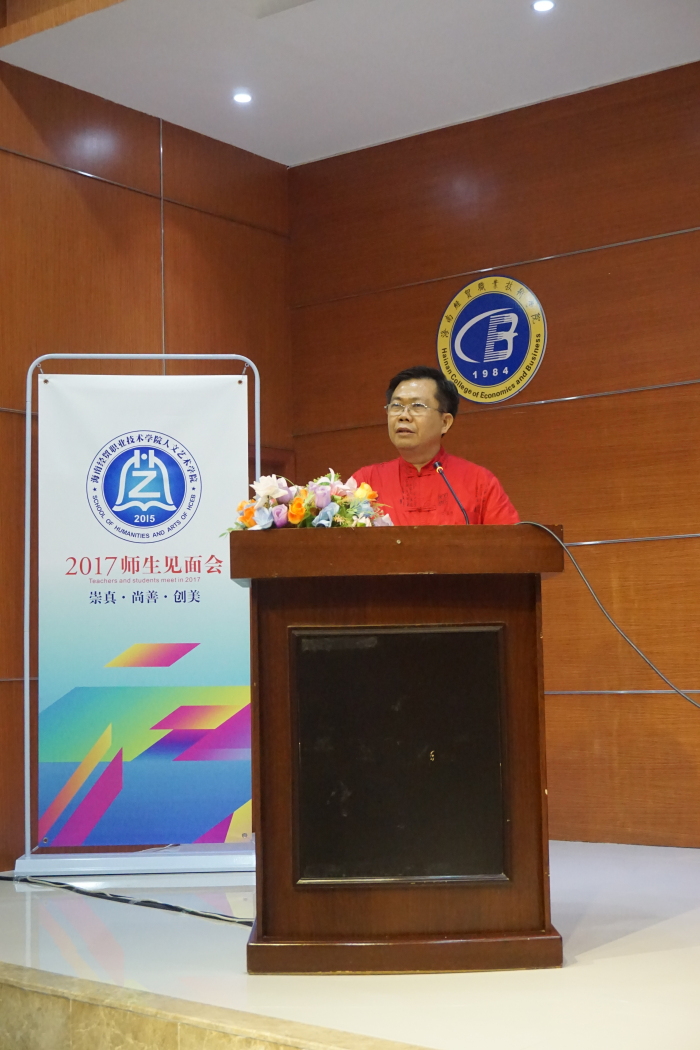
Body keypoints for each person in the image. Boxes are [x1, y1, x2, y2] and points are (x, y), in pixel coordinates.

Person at [350, 366, 519, 526]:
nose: (403, 415)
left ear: (445, 422)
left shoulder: (479, 483)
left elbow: (511, 542)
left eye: (417, 406)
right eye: (396, 406)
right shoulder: (366, 481)